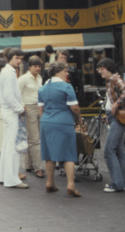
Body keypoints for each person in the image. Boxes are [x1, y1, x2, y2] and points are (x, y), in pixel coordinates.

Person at [38, 61, 82, 197]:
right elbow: (74, 107)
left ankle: (50, 182)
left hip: (46, 122)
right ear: (59, 72)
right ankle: (70, 185)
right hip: (63, 122)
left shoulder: (42, 88)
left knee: (49, 154)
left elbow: (40, 109)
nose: (67, 74)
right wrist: (79, 118)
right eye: (65, 71)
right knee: (69, 153)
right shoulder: (66, 87)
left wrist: (47, 118)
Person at [97, 57, 125, 193]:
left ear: (108, 68)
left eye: (102, 69)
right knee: (119, 151)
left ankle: (117, 183)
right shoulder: (111, 80)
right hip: (114, 116)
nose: (100, 72)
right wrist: (108, 111)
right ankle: (123, 182)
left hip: (117, 117)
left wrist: (116, 104)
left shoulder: (115, 79)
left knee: (109, 150)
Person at [0, 48, 28, 189]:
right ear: (10, 58)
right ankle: (12, 179)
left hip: (7, 111)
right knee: (13, 147)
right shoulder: (9, 73)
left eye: (21, 58)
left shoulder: (6, 71)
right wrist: (20, 109)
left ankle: (5, 176)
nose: (19, 61)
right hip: (11, 112)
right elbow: (9, 95)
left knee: (7, 145)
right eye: (17, 58)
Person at [18, 55, 44, 178]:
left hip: (38, 107)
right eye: (35, 66)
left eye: (39, 66)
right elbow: (17, 93)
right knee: (35, 138)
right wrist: (22, 107)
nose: (38, 68)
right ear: (30, 67)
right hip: (29, 108)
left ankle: (28, 164)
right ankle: (38, 168)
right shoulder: (23, 79)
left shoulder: (39, 78)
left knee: (31, 137)